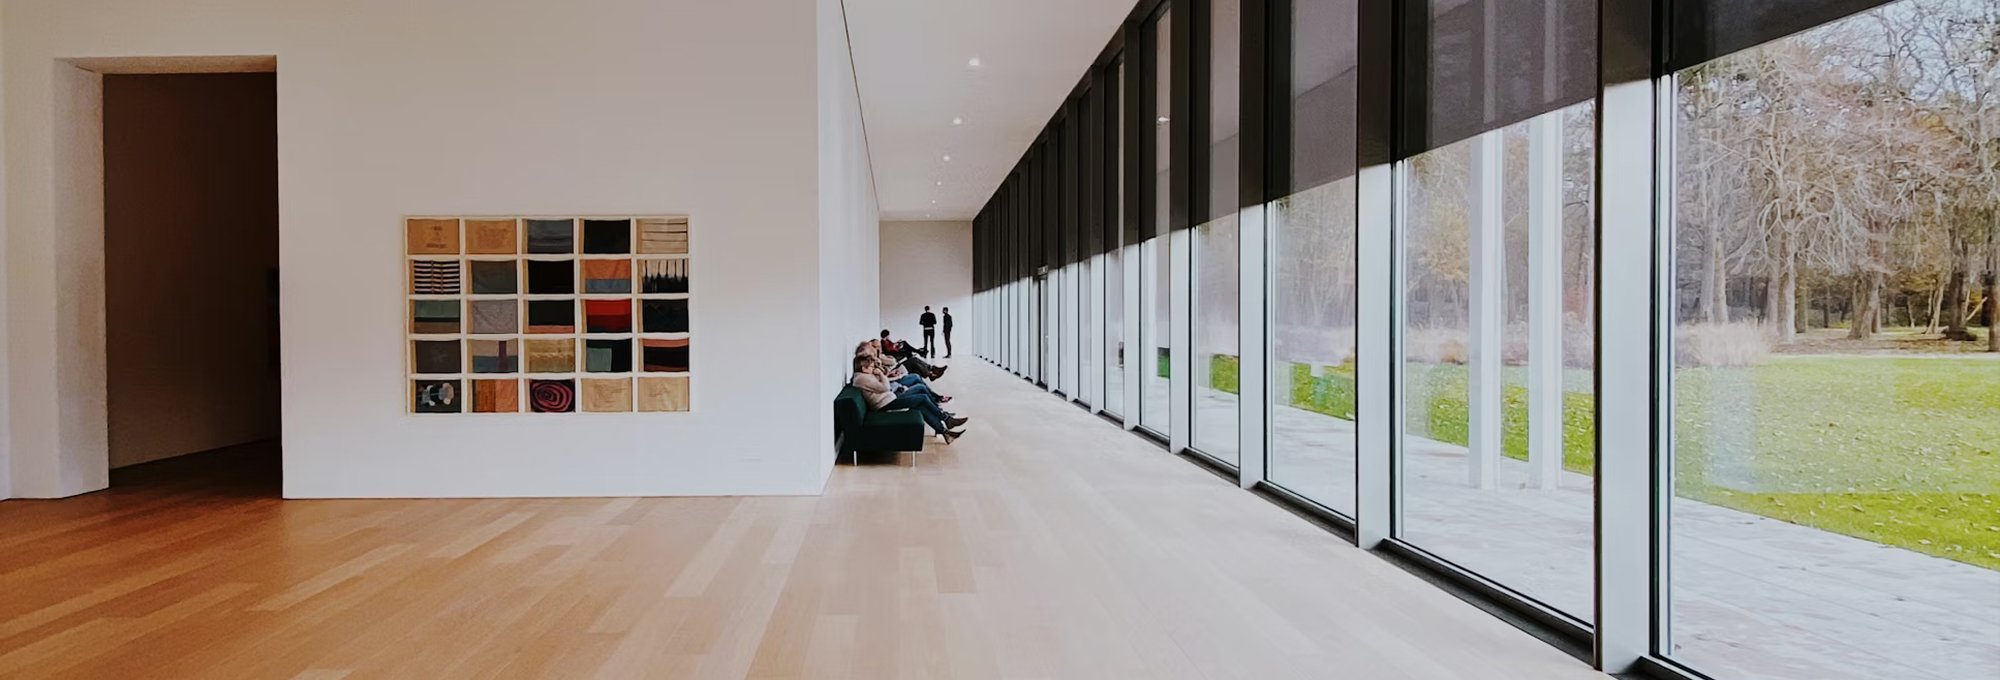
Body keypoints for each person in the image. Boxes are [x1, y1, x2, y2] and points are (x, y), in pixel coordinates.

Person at [851, 355, 968, 442]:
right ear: (864, 368)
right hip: (886, 403)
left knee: (920, 405)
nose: (873, 368)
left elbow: (884, 387)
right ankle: (945, 418)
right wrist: (880, 374)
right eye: (871, 367)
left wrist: (880, 372)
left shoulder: (864, 376)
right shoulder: (862, 378)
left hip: (889, 397)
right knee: (922, 397)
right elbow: (885, 387)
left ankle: (945, 431)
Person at [880, 330, 946, 379]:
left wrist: (896, 344)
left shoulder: (887, 341)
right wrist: (895, 346)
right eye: (888, 335)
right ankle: (929, 372)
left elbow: (891, 347)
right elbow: (890, 350)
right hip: (896, 354)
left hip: (896, 352)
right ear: (886, 335)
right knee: (910, 353)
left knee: (912, 356)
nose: (889, 336)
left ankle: (931, 368)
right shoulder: (883, 342)